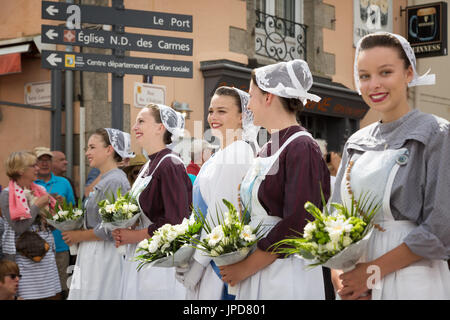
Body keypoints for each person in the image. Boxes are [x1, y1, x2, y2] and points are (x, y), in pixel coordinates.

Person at [330, 32, 450, 300]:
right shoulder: (356, 141)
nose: (374, 84)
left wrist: (370, 274)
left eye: (385, 72)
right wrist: (342, 280)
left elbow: (440, 228)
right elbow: (334, 219)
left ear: (408, 74)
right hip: (356, 282)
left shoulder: (436, 133)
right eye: (364, 76)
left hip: (411, 279)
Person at [218, 60, 331, 300]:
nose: (248, 104)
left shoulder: (302, 147)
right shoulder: (268, 147)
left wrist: (244, 268)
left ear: (268, 97)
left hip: (284, 272)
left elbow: (299, 222)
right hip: (259, 267)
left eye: (251, 95)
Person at [176, 86, 257, 300]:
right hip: (206, 254)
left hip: (217, 262)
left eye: (222, 111)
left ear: (242, 117)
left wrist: (197, 266)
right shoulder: (218, 154)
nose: (213, 117)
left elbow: (220, 216)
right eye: (211, 111)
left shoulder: (239, 151)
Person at [112, 104, 192, 300]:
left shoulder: (170, 164)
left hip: (160, 260)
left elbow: (176, 221)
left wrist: (134, 236)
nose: (134, 127)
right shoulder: (151, 163)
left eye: (141, 121)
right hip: (141, 253)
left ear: (160, 127)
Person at [62, 128, 133, 300]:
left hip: (104, 254)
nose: (87, 152)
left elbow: (113, 227)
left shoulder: (115, 180)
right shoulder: (107, 178)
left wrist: (78, 235)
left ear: (109, 150)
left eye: (92, 147)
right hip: (94, 252)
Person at [0, 151, 61, 300]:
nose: (37, 168)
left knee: (51, 296)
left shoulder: (39, 190)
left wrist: (55, 213)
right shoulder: (7, 194)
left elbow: (50, 226)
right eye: (33, 165)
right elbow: (18, 228)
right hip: (23, 257)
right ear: (21, 170)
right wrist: (37, 206)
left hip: (45, 255)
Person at [34, 147, 75, 299]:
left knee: (62, 287)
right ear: (34, 162)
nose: (44, 164)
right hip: (34, 245)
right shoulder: (29, 182)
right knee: (38, 289)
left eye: (48, 160)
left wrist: (63, 204)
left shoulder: (64, 183)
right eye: (40, 160)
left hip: (59, 243)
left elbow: (73, 212)